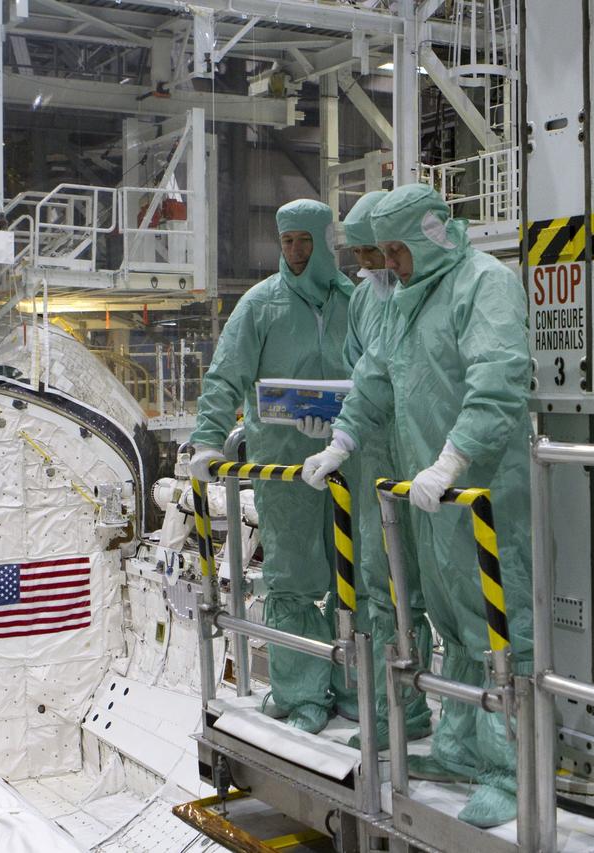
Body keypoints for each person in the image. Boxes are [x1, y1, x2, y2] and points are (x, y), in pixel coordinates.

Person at [301, 184, 533, 828]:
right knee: (460, 626)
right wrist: (342, 442)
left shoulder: (483, 283)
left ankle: (513, 774)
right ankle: (462, 748)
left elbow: (499, 375)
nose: (388, 266)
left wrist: (455, 458)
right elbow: (377, 376)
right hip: (432, 493)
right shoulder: (407, 298)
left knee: (501, 624)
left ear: (429, 235)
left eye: (396, 252)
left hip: (486, 490)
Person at [191, 199, 354, 734]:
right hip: (284, 466)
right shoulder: (261, 305)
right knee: (293, 577)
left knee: (361, 578)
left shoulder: (356, 302)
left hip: (354, 460)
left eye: (305, 240)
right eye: (287, 242)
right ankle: (301, 694)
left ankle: (358, 691)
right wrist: (207, 442)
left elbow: (383, 374)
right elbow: (225, 375)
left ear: (324, 242)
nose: (296, 251)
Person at [330, 190, 435, 750]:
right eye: (364, 254)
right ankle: (400, 707)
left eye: (379, 252)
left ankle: (472, 729)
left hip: (431, 454)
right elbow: (362, 371)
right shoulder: (365, 301)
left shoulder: (439, 293)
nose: (371, 265)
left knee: (447, 588)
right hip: (376, 452)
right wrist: (340, 430)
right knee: (382, 578)